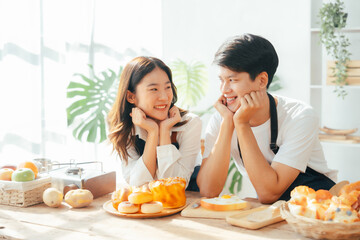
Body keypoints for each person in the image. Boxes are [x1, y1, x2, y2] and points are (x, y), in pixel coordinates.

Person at [197, 34, 337, 203]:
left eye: (232, 80)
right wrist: (228, 123)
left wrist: (241, 124)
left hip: (317, 207)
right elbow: (208, 190)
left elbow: (269, 193)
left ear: (262, 80)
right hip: (272, 210)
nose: (224, 89)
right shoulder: (221, 117)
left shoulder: (299, 116)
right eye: (221, 80)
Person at [108, 56, 201, 191]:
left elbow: (174, 185)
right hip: (149, 209)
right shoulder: (125, 128)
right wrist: (153, 133)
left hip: (187, 205)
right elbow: (138, 185)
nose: (164, 97)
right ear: (131, 96)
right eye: (154, 89)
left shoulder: (190, 124)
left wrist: (164, 131)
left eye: (167, 87)